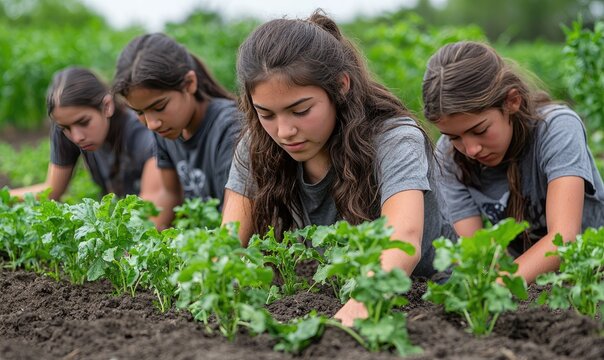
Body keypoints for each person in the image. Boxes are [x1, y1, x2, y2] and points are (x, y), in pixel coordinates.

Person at [222, 10, 454, 326]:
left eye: (300, 110)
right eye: (267, 114)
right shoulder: (257, 144)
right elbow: (228, 242)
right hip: (333, 296)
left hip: (428, 300)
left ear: (341, 86)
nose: (284, 130)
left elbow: (402, 242)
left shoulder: (394, 139)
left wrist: (358, 307)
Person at [422, 41, 604, 284]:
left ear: (512, 102)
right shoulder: (449, 156)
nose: (471, 149)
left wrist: (495, 287)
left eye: (480, 129)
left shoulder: (556, 128)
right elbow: (475, 250)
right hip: (528, 283)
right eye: (455, 137)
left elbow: (564, 238)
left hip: (590, 275)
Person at [10, 67, 171, 228]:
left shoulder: (144, 137)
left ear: (107, 106)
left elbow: (153, 212)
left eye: (84, 122)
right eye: (65, 128)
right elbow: (51, 191)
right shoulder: (67, 127)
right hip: (127, 226)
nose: (76, 137)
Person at [113, 33, 241, 224]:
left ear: (189, 83)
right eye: (139, 112)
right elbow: (169, 193)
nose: (151, 123)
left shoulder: (230, 127)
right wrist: (140, 243)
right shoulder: (166, 129)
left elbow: (236, 222)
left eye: (159, 107)